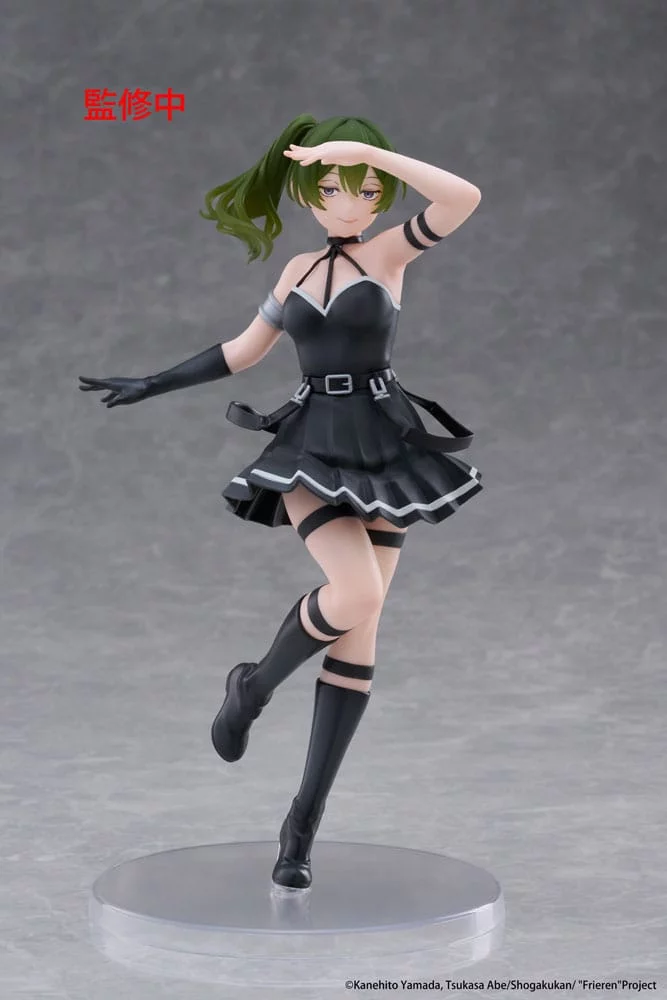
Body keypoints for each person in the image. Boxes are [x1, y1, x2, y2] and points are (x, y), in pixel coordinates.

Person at [79, 113, 483, 894]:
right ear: (305, 193)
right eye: (329, 188)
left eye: (364, 189)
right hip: (310, 444)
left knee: (361, 630)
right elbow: (242, 351)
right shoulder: (297, 269)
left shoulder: (387, 254)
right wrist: (152, 382)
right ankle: (255, 685)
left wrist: (363, 150)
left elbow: (462, 197)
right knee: (354, 594)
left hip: (383, 442)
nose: (347, 201)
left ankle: (301, 826)